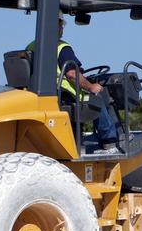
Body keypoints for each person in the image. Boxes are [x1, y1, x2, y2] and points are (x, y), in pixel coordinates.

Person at [27, 16, 119, 150]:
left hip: (41, 92)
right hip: (64, 94)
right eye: (61, 25)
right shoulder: (61, 47)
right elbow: (72, 74)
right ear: (55, 26)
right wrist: (91, 86)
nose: (62, 28)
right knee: (97, 97)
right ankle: (110, 141)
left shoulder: (32, 46)